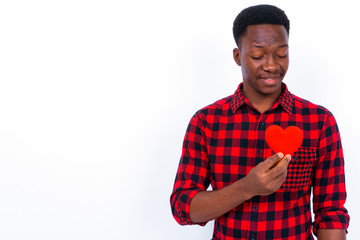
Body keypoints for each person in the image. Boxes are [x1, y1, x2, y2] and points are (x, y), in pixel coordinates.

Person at [170, 4, 350, 240]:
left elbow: (331, 213)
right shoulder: (206, 122)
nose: (271, 65)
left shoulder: (319, 121)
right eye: (257, 55)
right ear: (238, 56)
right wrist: (247, 188)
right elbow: (183, 207)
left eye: (281, 54)